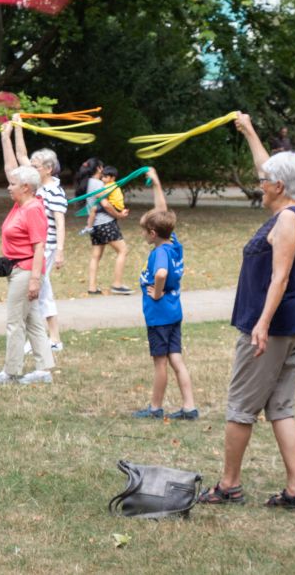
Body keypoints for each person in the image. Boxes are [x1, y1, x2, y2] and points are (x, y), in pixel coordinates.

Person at [199, 113, 295, 510]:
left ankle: (229, 484)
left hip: (275, 325)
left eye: (264, 181)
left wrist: (261, 325)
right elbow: (268, 166)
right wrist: (249, 131)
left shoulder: (285, 220)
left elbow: (279, 278)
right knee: (280, 405)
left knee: (241, 406)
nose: (259, 184)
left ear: (279, 186)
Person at [0, 123, 56, 385]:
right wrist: (5, 137)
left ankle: (11, 372)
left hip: (25, 273)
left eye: (13, 184)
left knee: (15, 322)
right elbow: (10, 169)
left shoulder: (33, 209)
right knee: (33, 319)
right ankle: (44, 369)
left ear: (25, 187)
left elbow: (39, 247)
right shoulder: (20, 203)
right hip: (19, 271)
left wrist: (35, 279)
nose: (8, 186)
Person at [132, 168, 197, 420]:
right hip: (174, 311)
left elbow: (160, 274)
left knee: (160, 362)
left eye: (144, 231)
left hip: (159, 314)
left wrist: (157, 293)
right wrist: (156, 182)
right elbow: (162, 211)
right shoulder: (173, 244)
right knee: (176, 359)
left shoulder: (159, 252)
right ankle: (189, 407)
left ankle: (155, 408)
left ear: (152, 234)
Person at [9, 123, 67, 351]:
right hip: (36, 246)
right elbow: (21, 154)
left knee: (40, 289)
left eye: (36, 166)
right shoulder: (36, 185)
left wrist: (60, 250)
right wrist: (18, 125)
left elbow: (60, 222)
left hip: (48, 247)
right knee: (43, 289)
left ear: (48, 169)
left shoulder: (55, 191)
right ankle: (50, 338)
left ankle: (47, 339)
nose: (31, 168)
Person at [75, 158, 131, 295]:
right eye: (102, 168)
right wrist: (119, 215)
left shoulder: (87, 183)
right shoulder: (98, 184)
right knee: (123, 250)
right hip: (105, 223)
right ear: (99, 168)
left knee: (96, 256)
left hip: (95, 224)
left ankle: (92, 287)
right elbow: (105, 204)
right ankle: (117, 285)